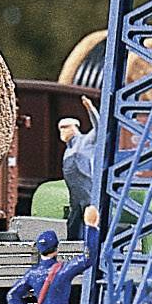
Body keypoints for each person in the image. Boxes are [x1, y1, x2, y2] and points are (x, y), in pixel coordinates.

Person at [55, 98, 101, 239]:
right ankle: (72, 245)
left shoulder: (86, 141)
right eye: (61, 129)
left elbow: (100, 127)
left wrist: (90, 109)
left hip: (88, 190)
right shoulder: (67, 150)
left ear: (73, 128)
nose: (62, 132)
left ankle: (93, 244)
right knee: (74, 221)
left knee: (91, 220)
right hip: (75, 193)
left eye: (65, 128)